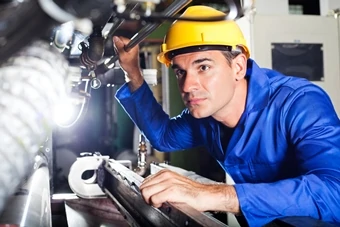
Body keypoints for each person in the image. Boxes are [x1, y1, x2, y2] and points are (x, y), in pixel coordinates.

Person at [113, 5, 340, 227]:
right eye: (181, 71)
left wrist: (213, 195)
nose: (188, 85)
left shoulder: (299, 103)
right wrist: (132, 71)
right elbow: (163, 136)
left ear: (238, 67)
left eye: (203, 67)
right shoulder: (206, 115)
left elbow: (334, 191)